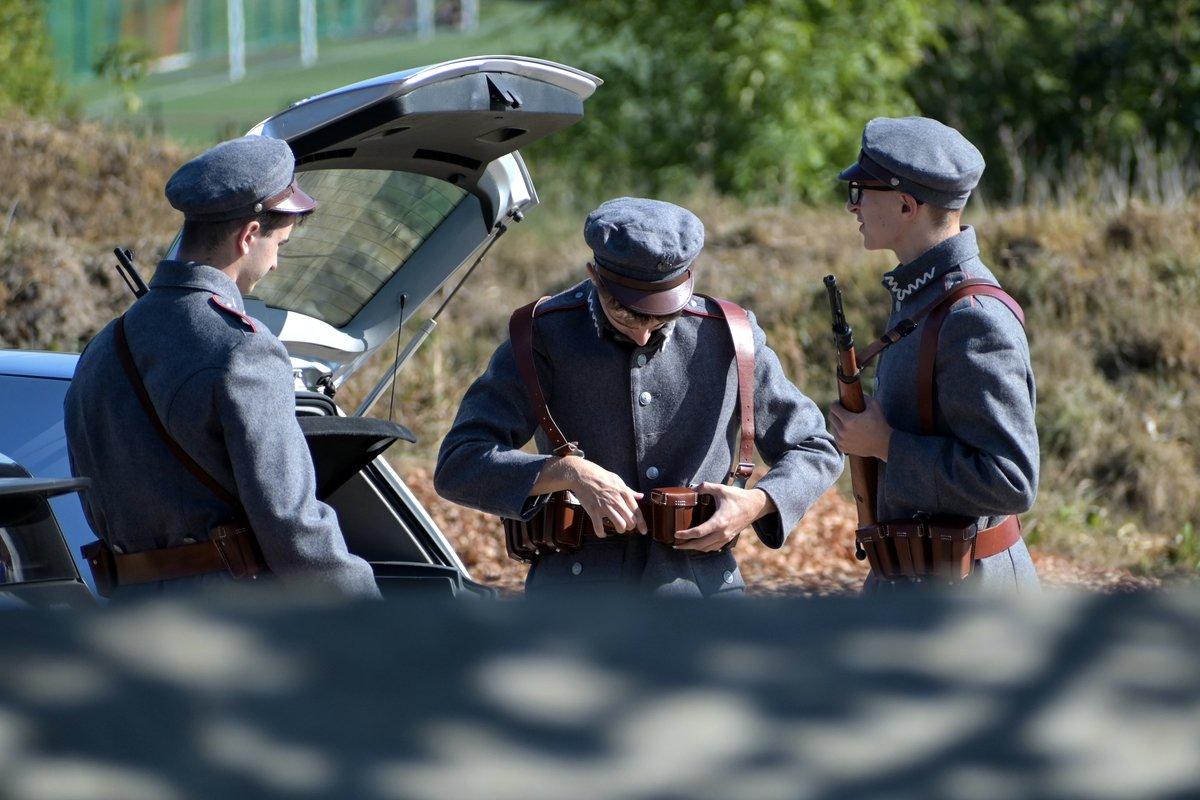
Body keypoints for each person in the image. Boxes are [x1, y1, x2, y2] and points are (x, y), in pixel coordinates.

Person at [435, 197, 842, 596]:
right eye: (626, 312)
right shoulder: (541, 335)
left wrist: (757, 503)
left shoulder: (731, 336)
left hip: (700, 602)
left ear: (688, 280)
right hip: (573, 603)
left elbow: (815, 447)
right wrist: (566, 472)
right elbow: (459, 463)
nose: (644, 333)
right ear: (594, 275)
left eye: (663, 315)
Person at [65, 135, 379, 599]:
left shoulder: (101, 349)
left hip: (128, 615)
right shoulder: (243, 350)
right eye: (279, 244)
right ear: (248, 236)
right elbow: (291, 525)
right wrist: (367, 606)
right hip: (232, 617)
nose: (276, 264)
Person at [828, 116, 1039, 591]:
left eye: (860, 191)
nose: (852, 205)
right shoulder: (922, 292)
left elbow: (1010, 480)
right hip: (915, 582)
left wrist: (885, 444)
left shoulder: (972, 317)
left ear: (906, 205)